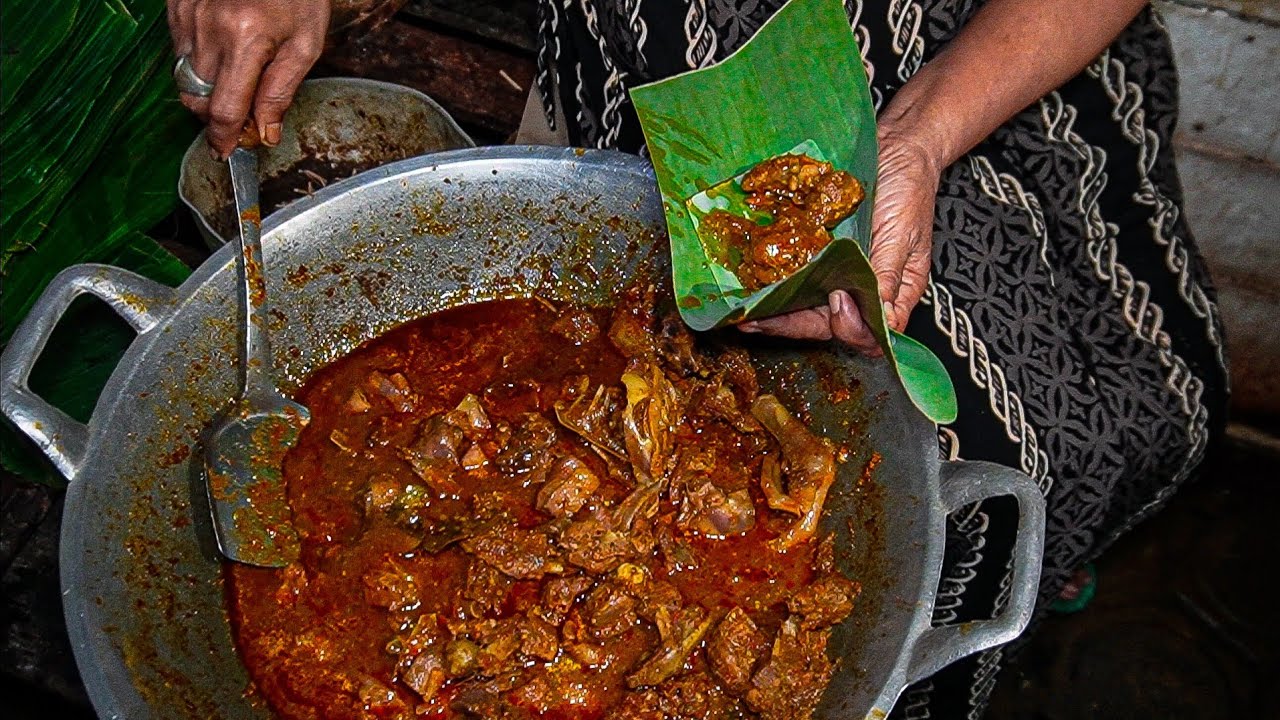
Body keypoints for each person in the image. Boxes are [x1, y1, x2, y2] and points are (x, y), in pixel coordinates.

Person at [167, 0, 1229, 716]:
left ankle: (1025, 587)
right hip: (628, 69)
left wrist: (913, 137)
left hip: (977, 75)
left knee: (1059, 431)